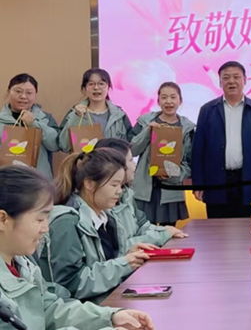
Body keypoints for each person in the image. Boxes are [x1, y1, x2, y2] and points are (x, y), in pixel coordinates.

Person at [0, 166, 155, 330]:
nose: (45, 228)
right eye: (39, 220)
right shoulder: (67, 222)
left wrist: (109, 317)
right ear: (3, 219)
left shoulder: (24, 265)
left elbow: (51, 310)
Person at [38, 149, 151, 303]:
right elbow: (70, 285)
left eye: (121, 185)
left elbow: (102, 266)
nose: (119, 191)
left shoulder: (107, 219)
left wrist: (126, 255)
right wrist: (124, 264)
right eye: (114, 185)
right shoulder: (66, 223)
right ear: (89, 184)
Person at [192, 61, 251, 218]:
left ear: (245, 80)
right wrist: (198, 183)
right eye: (226, 78)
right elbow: (198, 149)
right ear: (220, 82)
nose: (231, 81)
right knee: (217, 227)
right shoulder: (207, 110)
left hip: (249, 181)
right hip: (216, 180)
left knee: (248, 228)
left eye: (236, 77)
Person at [94, 138, 187, 254]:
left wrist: (165, 230)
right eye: (130, 160)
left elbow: (142, 226)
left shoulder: (127, 194)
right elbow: (119, 247)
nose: (135, 164)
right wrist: (163, 234)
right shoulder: (103, 202)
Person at [130, 83, 194, 226]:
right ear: (158, 101)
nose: (168, 101)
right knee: (145, 232)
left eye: (173, 97)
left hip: (171, 192)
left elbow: (189, 163)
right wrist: (148, 132)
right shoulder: (145, 121)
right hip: (145, 191)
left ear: (180, 101)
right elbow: (132, 150)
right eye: (164, 97)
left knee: (169, 233)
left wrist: (173, 174)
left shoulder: (187, 128)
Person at [0, 73, 59, 178]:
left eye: (29, 93)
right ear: (9, 92)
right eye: (18, 91)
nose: (23, 96)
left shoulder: (46, 118)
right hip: (5, 180)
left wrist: (33, 124)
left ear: (35, 95)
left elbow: (55, 145)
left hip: (38, 180)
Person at [59, 68, 132, 153]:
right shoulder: (74, 113)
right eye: (91, 84)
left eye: (101, 84)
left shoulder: (119, 116)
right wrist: (76, 117)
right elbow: (63, 145)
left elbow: (129, 147)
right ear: (84, 89)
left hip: (112, 161)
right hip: (84, 161)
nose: (96, 87)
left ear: (108, 87)